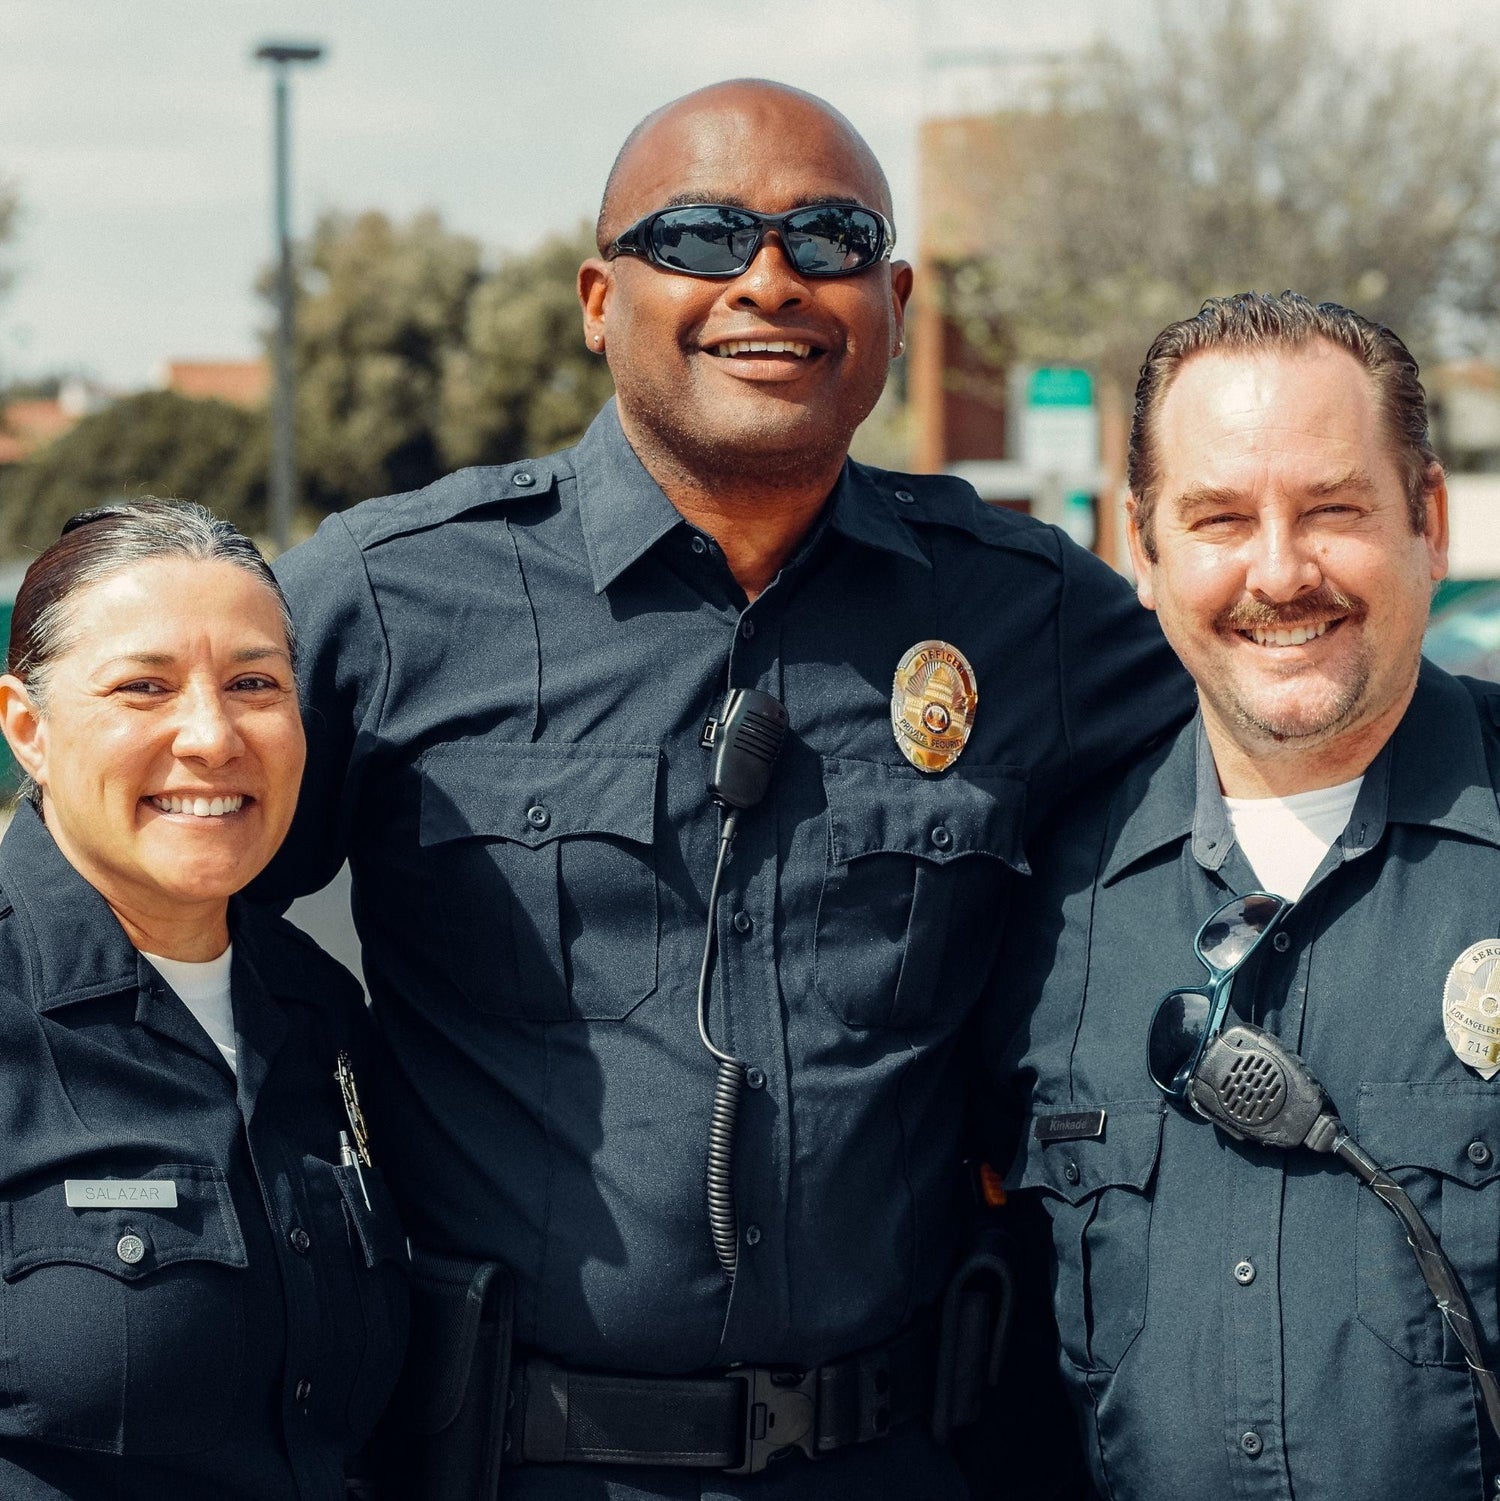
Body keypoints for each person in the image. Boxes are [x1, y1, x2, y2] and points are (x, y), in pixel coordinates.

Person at [258, 79, 1189, 1498]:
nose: (768, 279)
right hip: (515, 1465)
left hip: (900, 1458)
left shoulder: (1032, 613)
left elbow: (1297, 733)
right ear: (595, 296)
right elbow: (132, 899)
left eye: (829, 236)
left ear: (895, 297)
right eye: (697, 236)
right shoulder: (390, 598)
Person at [994, 290, 1500, 1500]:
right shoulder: (1041, 901)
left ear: (1427, 519)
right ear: (1143, 547)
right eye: (1221, 517)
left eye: (1332, 509)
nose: (1280, 570)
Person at [0, 501, 408, 1500]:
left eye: (254, 684)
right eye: (143, 687)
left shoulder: (318, 1012)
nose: (212, 736)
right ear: (27, 728)